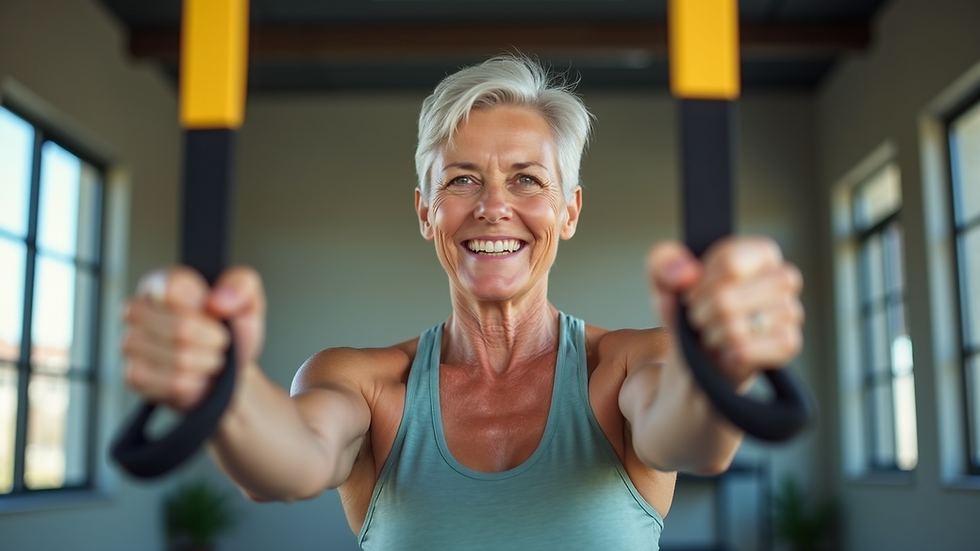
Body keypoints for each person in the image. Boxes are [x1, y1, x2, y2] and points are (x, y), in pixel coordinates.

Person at [123, 55, 803, 550]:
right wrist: (221, 379)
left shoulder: (628, 366)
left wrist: (720, 358)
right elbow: (289, 464)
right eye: (462, 179)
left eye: (527, 179)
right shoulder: (363, 384)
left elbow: (694, 437)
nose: (493, 206)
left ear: (569, 210)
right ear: (426, 212)